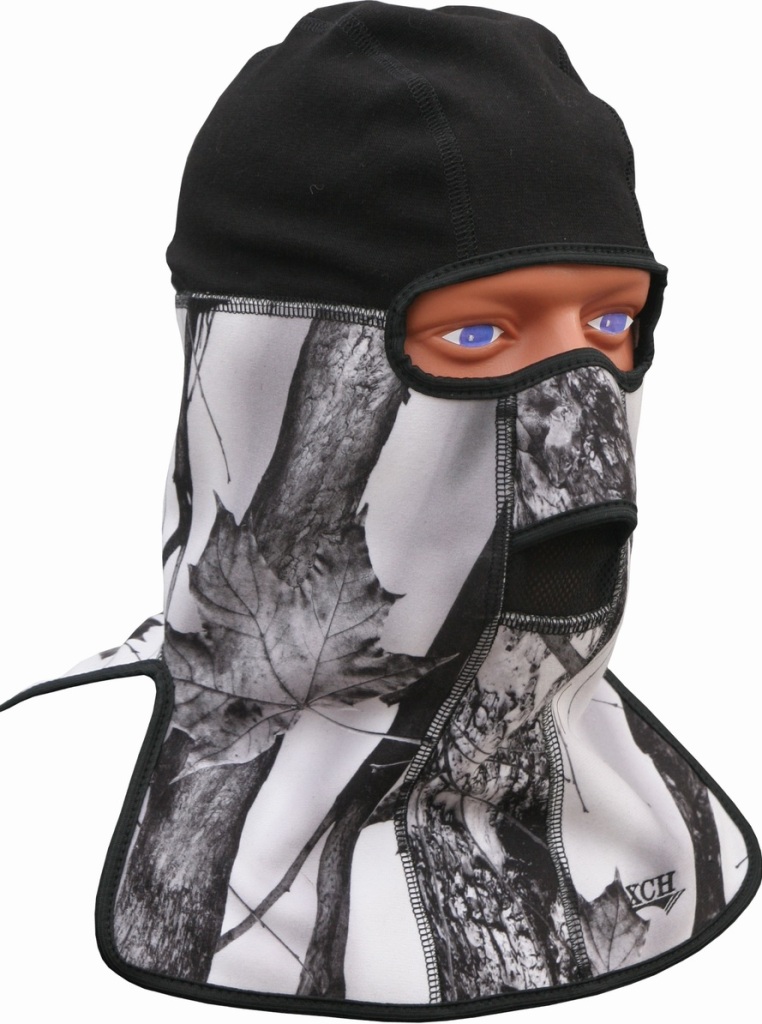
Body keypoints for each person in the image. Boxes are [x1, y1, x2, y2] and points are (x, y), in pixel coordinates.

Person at [1, 3, 759, 1021]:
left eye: (612, 320)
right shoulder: (36, 805)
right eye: (478, 333)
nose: (578, 408)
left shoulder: (652, 811)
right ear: (260, 365)